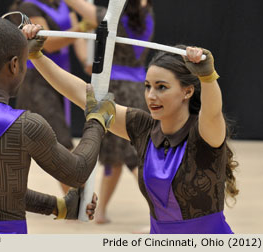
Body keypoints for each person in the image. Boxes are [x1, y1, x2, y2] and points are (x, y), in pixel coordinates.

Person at [25, 24, 239, 233]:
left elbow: (212, 112)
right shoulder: (143, 128)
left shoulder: (204, 133)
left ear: (187, 92)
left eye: (161, 87)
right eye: (148, 86)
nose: (151, 96)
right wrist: (36, 55)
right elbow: (84, 96)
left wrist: (208, 77)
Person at [0, 17, 115, 234]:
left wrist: (59, 207)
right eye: (25, 63)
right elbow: (77, 172)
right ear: (14, 65)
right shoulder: (25, 125)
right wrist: (96, 121)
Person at [64, 0, 154, 224]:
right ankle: (101, 211)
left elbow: (81, 7)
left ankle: (164, 208)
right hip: (139, 88)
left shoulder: (113, 17)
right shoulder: (148, 14)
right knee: (117, 156)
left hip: (116, 90)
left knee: (131, 158)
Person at [8, 0, 93, 194]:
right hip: (36, 79)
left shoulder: (63, 4)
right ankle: (76, 199)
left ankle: (79, 198)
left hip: (60, 77)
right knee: (58, 139)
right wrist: (83, 26)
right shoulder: (29, 7)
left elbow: (77, 38)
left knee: (42, 140)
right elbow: (50, 44)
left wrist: (86, 60)